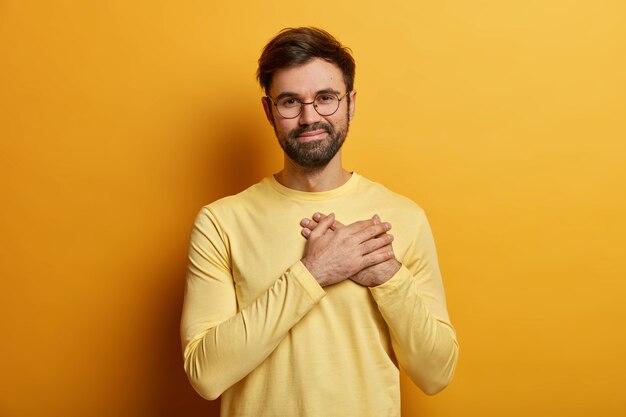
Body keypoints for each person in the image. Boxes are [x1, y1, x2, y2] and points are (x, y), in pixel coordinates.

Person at [181, 27, 459, 417]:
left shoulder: (403, 217)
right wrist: (313, 273)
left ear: (351, 103)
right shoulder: (221, 223)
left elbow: (436, 374)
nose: (309, 117)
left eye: (326, 98)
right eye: (290, 102)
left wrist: (390, 279)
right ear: (269, 111)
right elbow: (206, 375)